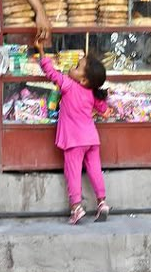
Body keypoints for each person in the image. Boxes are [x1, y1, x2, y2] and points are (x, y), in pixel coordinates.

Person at [34, 38, 111, 225]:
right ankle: (102, 202)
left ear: (83, 79)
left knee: (73, 173)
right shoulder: (92, 92)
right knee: (95, 170)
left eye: (76, 66)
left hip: (74, 141)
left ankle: (76, 207)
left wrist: (41, 51)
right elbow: (107, 113)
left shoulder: (68, 86)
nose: (72, 67)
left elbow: (50, 72)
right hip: (91, 139)